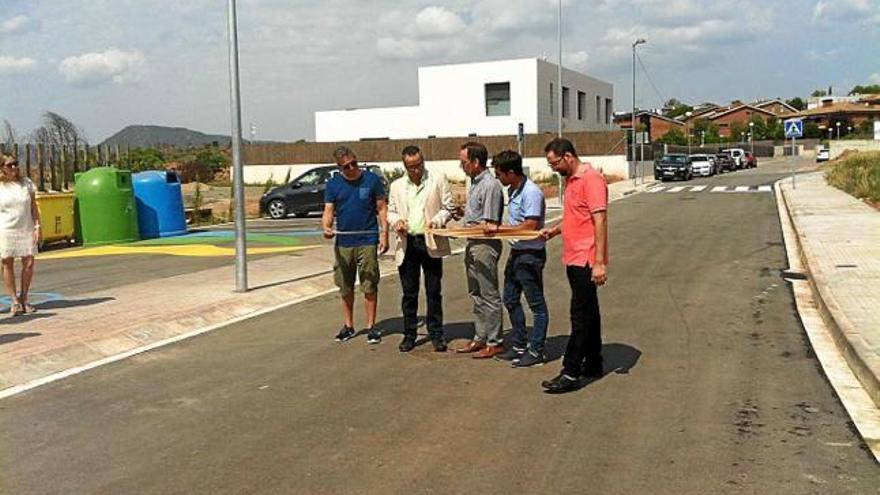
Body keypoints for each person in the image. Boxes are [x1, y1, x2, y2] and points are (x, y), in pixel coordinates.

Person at [539, 138, 608, 393]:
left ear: (567, 156)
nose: (553, 168)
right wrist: (555, 231)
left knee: (580, 314)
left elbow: (599, 221)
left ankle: (570, 371)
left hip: (587, 258)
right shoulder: (572, 180)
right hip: (574, 255)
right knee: (590, 310)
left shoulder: (591, 179)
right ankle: (593, 362)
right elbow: (574, 216)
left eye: (554, 163)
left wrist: (599, 263)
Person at [387, 146, 456, 353]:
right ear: (405, 166)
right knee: (409, 293)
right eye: (411, 167)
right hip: (407, 242)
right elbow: (390, 211)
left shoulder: (437, 179)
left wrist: (438, 220)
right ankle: (409, 334)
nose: (416, 170)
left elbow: (449, 207)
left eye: (419, 165)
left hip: (430, 241)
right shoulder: (397, 186)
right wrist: (396, 220)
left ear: (423, 161)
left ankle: (436, 333)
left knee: (434, 291)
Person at [322, 146, 389, 344]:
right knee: (345, 285)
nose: (352, 168)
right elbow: (328, 210)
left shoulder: (371, 180)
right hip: (344, 241)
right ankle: (349, 325)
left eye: (354, 163)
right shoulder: (333, 185)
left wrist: (384, 235)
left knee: (369, 283)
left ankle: (371, 327)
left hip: (367, 239)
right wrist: (326, 226)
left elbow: (382, 208)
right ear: (339, 167)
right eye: (346, 166)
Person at [492, 150, 549, 368]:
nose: (498, 178)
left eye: (500, 174)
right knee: (510, 298)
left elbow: (530, 225)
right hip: (517, 252)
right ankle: (518, 345)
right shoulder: (514, 190)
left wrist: (499, 230)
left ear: (511, 172)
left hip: (530, 255)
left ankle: (536, 350)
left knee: (536, 305)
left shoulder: (531, 193)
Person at [456, 141, 505, 359]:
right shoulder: (474, 183)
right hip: (472, 243)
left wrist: (468, 227)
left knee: (489, 293)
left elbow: (490, 223)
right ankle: (481, 335)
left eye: (464, 162)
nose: (462, 167)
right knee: (475, 292)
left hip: (484, 245)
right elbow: (476, 216)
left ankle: (495, 341)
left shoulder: (490, 185)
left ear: (476, 162)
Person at [0, 154, 41, 316]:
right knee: (7, 263)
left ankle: (24, 298)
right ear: (2, 167)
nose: (13, 168)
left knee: (29, 262)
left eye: (15, 164)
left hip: (26, 227)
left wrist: (37, 226)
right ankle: (14, 301)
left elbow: (33, 207)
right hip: (6, 228)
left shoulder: (26, 183)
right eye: (9, 165)